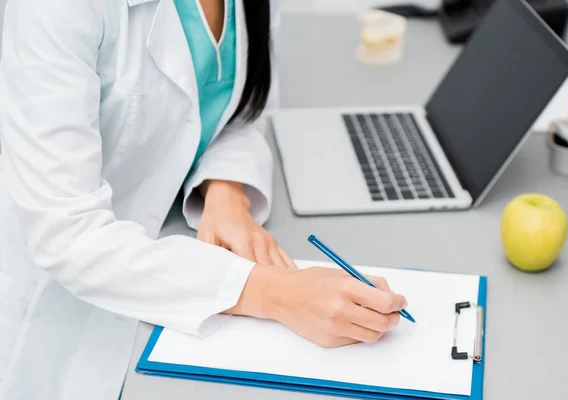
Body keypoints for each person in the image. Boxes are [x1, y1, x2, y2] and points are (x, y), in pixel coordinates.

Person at [0, 0, 408, 398]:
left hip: (170, 256)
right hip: (59, 302)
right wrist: (274, 292)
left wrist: (225, 189)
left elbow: (240, 103)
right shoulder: (51, 8)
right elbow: (67, 232)